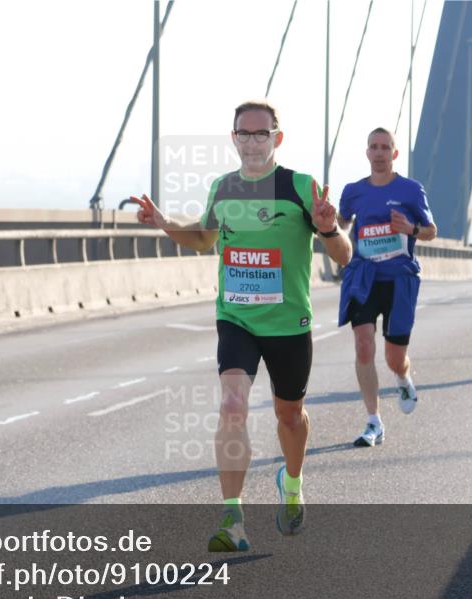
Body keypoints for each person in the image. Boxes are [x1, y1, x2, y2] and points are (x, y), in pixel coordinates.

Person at [131, 101, 351, 552]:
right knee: (232, 404)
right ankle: (232, 517)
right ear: (233, 138)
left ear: (278, 138)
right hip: (236, 318)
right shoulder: (223, 188)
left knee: (289, 415)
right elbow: (202, 239)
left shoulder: (300, 187)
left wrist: (329, 230)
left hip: (289, 323)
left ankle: (292, 482)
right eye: (244, 134)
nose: (252, 142)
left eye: (261, 134)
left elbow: (343, 256)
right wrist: (163, 222)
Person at [337, 128, 437, 447]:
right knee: (364, 344)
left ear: (394, 154)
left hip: (399, 279)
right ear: (366, 153)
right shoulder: (353, 191)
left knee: (395, 357)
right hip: (363, 277)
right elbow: (340, 224)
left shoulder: (410, 190)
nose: (379, 153)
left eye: (385, 148)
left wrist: (411, 228)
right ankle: (373, 421)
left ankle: (403, 377)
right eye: (374, 147)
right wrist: (328, 223)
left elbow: (431, 231)